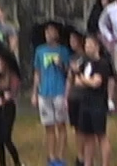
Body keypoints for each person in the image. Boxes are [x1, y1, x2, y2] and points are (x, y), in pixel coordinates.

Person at [33, 23, 72, 166]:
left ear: (56, 34)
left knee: (61, 125)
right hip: (44, 92)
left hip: (59, 91)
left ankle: (61, 156)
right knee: (48, 126)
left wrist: (60, 63)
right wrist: (34, 92)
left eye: (51, 31)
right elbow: (37, 72)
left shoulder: (63, 50)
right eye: (46, 32)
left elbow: (68, 71)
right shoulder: (40, 50)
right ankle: (51, 156)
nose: (48, 34)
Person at [71, 37, 113, 166]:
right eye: (86, 44)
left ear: (97, 46)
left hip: (98, 105)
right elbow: (77, 82)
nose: (87, 47)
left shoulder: (103, 64)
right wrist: (83, 78)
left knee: (101, 136)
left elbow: (96, 83)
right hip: (85, 103)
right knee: (88, 136)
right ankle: (88, 163)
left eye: (89, 44)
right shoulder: (86, 63)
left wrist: (83, 79)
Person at [0, 53, 24, 166]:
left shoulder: (12, 75)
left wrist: (3, 97)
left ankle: (17, 162)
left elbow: (13, 92)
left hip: (8, 108)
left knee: (6, 137)